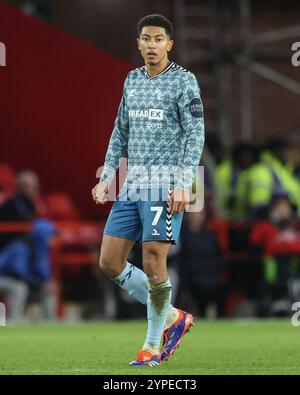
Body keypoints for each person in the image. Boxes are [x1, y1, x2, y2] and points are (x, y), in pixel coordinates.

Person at [92, 14, 205, 366]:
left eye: (159, 39)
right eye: (146, 39)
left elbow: (195, 134)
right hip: (133, 183)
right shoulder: (132, 80)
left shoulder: (184, 82)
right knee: (109, 261)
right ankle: (174, 317)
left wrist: (185, 184)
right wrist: (106, 175)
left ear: (169, 44)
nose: (152, 45)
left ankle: (152, 346)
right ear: (139, 43)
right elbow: (119, 131)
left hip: (167, 184)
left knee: (153, 261)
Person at [0, 218, 57, 322]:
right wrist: (38, 284)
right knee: (19, 288)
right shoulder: (21, 246)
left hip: (24, 281)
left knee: (50, 289)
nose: (52, 239)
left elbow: (42, 271)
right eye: (50, 235)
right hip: (4, 278)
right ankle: (15, 320)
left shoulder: (41, 248)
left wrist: (48, 282)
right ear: (42, 235)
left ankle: (50, 323)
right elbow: (18, 273)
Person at [0, 170, 40, 250]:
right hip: (8, 248)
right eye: (33, 187)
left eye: (37, 187)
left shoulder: (32, 205)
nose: (36, 191)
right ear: (21, 187)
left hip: (26, 244)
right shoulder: (11, 204)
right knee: (20, 249)